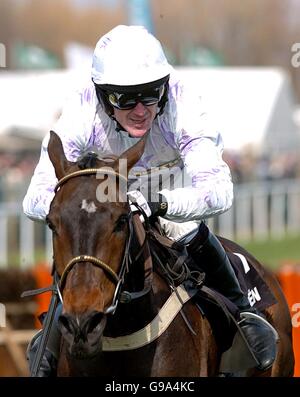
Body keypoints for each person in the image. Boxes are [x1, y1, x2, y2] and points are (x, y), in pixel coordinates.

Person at [23, 25, 276, 376]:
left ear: (165, 88)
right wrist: (76, 204)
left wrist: (157, 204)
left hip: (171, 197)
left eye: (151, 94)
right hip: (105, 198)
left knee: (186, 229)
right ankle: (51, 337)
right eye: (126, 99)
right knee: (82, 239)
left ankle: (242, 314)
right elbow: (34, 197)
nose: (141, 109)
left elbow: (219, 191)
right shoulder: (81, 109)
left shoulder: (185, 106)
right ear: (103, 96)